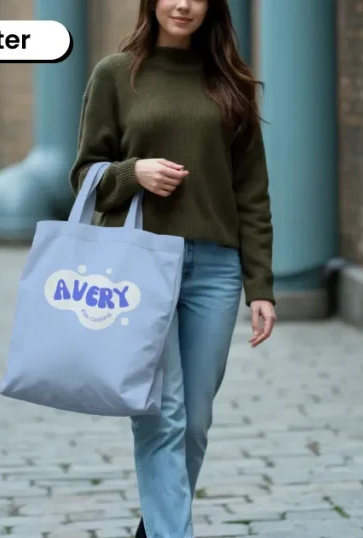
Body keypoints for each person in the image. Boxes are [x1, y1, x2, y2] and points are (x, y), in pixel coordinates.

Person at [69, 0, 277, 536]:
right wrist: (133, 171)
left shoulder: (231, 83)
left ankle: (156, 526)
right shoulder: (116, 75)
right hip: (140, 268)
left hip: (216, 269)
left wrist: (261, 285)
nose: (182, 3)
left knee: (196, 421)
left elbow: (252, 193)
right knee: (162, 414)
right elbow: (85, 175)